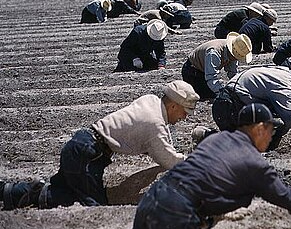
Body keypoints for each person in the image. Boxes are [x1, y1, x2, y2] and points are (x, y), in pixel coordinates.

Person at [46, 103, 291, 229]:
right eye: (271, 129)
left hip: (156, 197)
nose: (272, 135)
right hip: (178, 212)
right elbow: (282, 195)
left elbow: (208, 174)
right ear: (258, 129)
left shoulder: (217, 140)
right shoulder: (256, 162)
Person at [0, 81, 200, 211]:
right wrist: (195, 163)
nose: (183, 118)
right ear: (173, 105)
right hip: (88, 155)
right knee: (95, 206)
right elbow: (168, 159)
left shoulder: (150, 101)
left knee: (66, 193)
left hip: (82, 145)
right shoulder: (155, 125)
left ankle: (10, 191)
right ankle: (30, 192)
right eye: (184, 112)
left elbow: (159, 139)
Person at [210, 59, 291, 151]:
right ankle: (210, 138)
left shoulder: (283, 73)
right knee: (272, 131)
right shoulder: (284, 85)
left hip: (230, 104)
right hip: (228, 107)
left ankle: (210, 137)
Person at [181, 33, 253, 100]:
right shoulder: (214, 53)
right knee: (208, 96)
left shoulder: (234, 50)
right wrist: (223, 92)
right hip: (192, 72)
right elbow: (211, 77)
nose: (237, 59)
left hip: (204, 71)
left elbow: (233, 74)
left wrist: (239, 88)